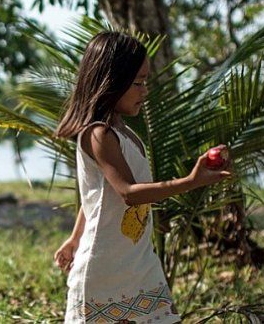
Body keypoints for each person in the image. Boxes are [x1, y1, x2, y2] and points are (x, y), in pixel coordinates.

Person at [54, 31, 231, 323]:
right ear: (109, 81)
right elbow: (128, 192)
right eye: (137, 83)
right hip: (104, 269)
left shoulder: (124, 133)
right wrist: (191, 181)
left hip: (137, 262)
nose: (144, 91)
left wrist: (74, 238)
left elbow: (95, 197)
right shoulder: (99, 134)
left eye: (145, 82)